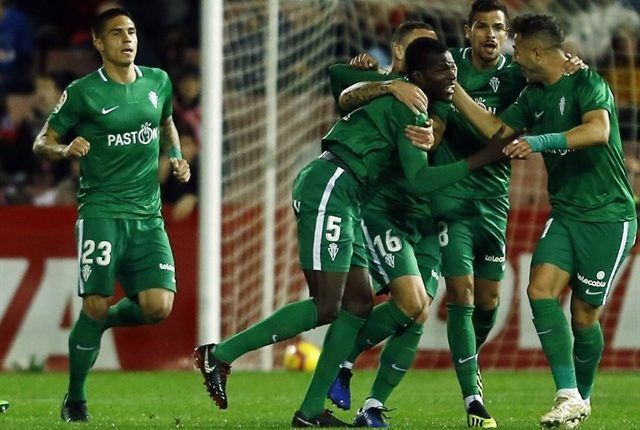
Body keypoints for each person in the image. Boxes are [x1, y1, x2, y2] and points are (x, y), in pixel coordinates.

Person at [193, 36, 510, 427]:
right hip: (333, 183)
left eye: (452, 66)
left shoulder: (420, 103)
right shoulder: (403, 100)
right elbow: (420, 177)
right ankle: (220, 355)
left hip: (350, 195)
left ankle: (309, 414)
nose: (452, 74)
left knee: (359, 304)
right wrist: (483, 158)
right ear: (415, 73)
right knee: (328, 304)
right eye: (442, 68)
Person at [450, 13, 637, 429]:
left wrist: (538, 141)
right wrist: (454, 91)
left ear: (536, 52)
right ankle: (567, 394)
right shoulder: (535, 95)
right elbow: (498, 132)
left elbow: (598, 132)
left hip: (608, 217)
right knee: (539, 291)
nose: (513, 55)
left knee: (585, 315)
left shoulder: (587, 82)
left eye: (517, 47)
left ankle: (582, 398)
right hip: (567, 214)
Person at [32, 7, 190, 422]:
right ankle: (76, 398)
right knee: (97, 302)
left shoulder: (158, 81)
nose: (127, 38)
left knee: (158, 307)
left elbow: (167, 122)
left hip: (148, 215)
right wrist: (65, 149)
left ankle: (98, 324)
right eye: (117, 33)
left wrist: (174, 154)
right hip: (101, 211)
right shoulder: (83, 92)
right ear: (99, 43)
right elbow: (41, 142)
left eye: (132, 31)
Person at [323, 22, 453, 428]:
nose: (429, 53)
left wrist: (430, 133)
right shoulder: (385, 83)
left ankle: (373, 405)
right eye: (419, 47)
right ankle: (340, 362)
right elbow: (340, 84)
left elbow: (434, 131)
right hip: (383, 208)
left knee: (418, 311)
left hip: (427, 216)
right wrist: (385, 83)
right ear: (398, 51)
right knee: (408, 302)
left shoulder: (437, 92)